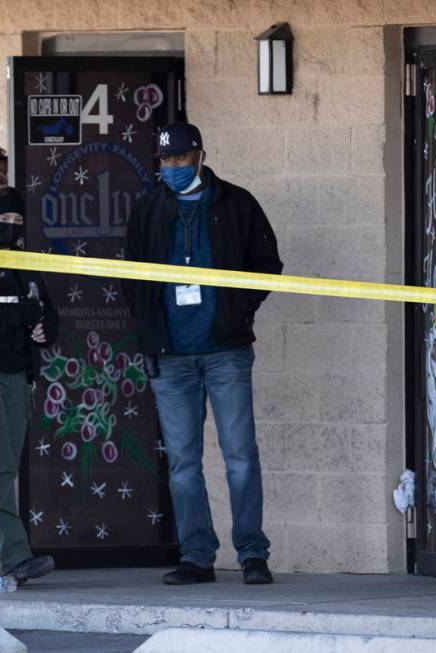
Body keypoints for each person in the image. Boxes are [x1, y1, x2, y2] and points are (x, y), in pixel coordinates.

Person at [123, 123, 283, 585]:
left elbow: (267, 264)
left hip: (226, 351)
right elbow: (128, 272)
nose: (171, 168)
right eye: (164, 161)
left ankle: (253, 553)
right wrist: (150, 327)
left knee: (241, 456)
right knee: (183, 463)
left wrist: (237, 310)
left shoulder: (237, 202)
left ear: (200, 155)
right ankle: (197, 556)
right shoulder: (148, 206)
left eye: (179, 159)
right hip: (170, 358)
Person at [0, 146, 59, 584]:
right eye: (3, 221)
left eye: (17, 222)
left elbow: (48, 312)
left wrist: (45, 327)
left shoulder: (26, 265)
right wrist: (22, 317)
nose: (10, 229)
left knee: (8, 468)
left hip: (20, 378)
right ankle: (13, 555)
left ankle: (6, 554)